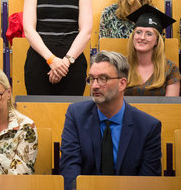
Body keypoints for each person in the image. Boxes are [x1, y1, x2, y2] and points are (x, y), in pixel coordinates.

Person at [60, 51, 162, 190]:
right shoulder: (76, 115)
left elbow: (147, 182)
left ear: (122, 83)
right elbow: (70, 168)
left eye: (103, 79)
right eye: (92, 79)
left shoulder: (148, 127)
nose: (95, 86)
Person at [125, 4, 181, 96]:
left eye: (149, 34)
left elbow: (171, 107)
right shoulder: (121, 66)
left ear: (157, 41)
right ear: (133, 36)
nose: (142, 37)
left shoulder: (170, 69)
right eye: (138, 32)